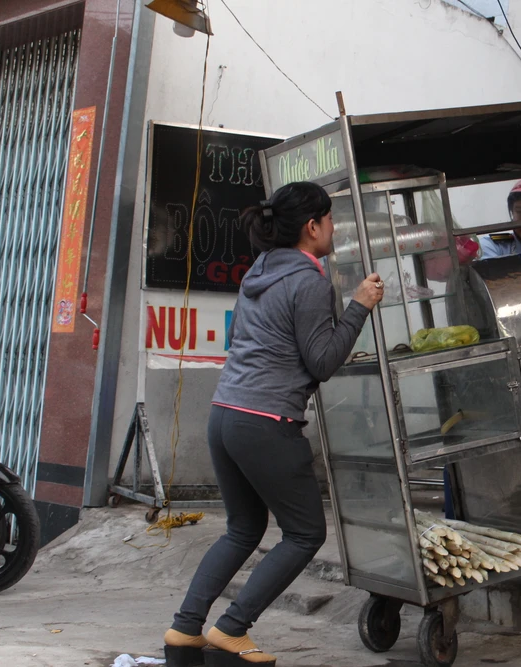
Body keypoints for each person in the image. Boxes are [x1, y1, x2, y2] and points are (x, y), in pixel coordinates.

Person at [162, 182, 384, 666]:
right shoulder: (310, 282)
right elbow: (322, 361)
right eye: (330, 219)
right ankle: (231, 628)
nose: (334, 228)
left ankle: (184, 630)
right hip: (266, 421)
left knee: (243, 528)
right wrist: (360, 306)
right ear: (312, 226)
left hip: (225, 414)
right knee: (305, 533)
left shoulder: (260, 270)